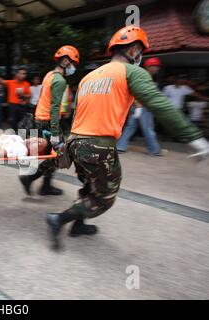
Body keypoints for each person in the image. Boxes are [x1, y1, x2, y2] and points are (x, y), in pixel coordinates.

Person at [45, 26, 209, 249]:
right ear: (133, 49)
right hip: (98, 146)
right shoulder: (131, 72)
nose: (140, 56)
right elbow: (160, 104)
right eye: (140, 50)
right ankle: (59, 219)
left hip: (75, 142)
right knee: (104, 196)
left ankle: (78, 224)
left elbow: (78, 112)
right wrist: (194, 138)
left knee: (89, 186)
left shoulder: (88, 77)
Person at [20, 45, 80, 196]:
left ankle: (44, 185)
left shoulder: (49, 75)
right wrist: (54, 133)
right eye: (72, 63)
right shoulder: (59, 81)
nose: (73, 68)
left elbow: (42, 99)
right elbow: (54, 107)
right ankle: (31, 179)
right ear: (66, 61)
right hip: (48, 123)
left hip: (41, 120)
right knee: (59, 154)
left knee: (53, 154)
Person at [117, 57, 163, 156]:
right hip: (142, 106)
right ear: (148, 66)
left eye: (157, 66)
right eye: (154, 66)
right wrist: (137, 104)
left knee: (131, 127)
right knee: (148, 128)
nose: (156, 68)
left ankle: (120, 146)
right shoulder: (143, 75)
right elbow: (134, 89)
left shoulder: (146, 75)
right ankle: (154, 149)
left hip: (139, 106)